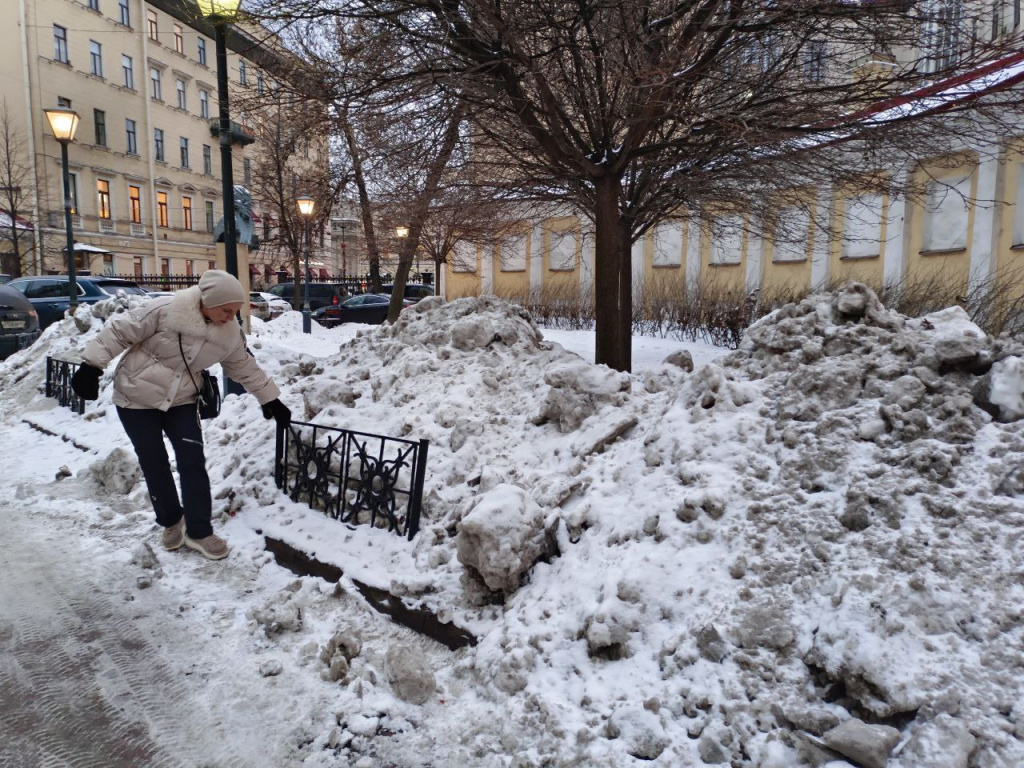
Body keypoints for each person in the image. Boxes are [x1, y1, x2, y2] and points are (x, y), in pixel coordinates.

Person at [71, 270, 291, 560]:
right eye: (226, 310)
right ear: (208, 302)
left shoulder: (229, 333)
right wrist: (91, 366)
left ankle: (200, 531)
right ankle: (172, 520)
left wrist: (270, 399)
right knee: (155, 463)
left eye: (235, 312)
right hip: (135, 399)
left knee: (192, 462)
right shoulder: (163, 311)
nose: (230, 317)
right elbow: (119, 332)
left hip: (182, 401)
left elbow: (243, 366)